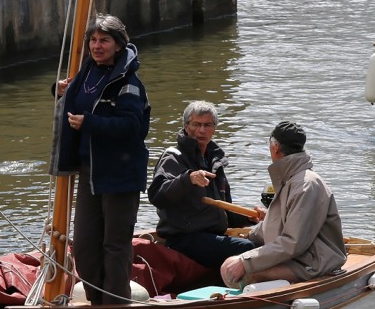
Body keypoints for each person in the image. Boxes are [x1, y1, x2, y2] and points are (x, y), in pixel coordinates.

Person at [53, 14, 151, 305]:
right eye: (93, 40)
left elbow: (134, 127)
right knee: (83, 246)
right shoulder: (87, 73)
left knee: (115, 246)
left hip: (120, 174)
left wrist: (90, 123)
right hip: (90, 171)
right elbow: (75, 103)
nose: (97, 46)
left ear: (119, 45)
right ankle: (97, 303)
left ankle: (116, 307)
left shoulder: (129, 84)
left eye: (104, 40)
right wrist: (59, 91)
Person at [220, 121, 347, 289]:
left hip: (312, 262)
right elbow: (275, 223)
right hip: (296, 257)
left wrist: (245, 262)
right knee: (228, 263)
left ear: (275, 147)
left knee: (241, 273)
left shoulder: (306, 185)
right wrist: (246, 237)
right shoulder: (291, 179)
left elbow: (293, 243)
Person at [148, 101, 257, 270]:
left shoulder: (215, 161)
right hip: (184, 239)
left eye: (207, 125)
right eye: (196, 124)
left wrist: (250, 217)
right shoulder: (173, 157)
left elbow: (226, 213)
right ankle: (247, 291)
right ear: (185, 126)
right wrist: (187, 179)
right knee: (247, 250)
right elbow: (157, 196)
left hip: (212, 236)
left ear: (214, 128)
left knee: (261, 242)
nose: (202, 130)